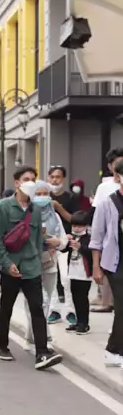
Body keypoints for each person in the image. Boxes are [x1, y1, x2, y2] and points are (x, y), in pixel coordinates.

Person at [0, 165, 62, 370]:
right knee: (7, 307)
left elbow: (38, 239)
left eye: (33, 179)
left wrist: (53, 245)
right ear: (17, 183)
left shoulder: (36, 210)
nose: (30, 182)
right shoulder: (4, 207)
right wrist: (6, 264)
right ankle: (1, 346)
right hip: (11, 266)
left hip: (32, 267)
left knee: (37, 309)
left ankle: (42, 353)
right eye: (26, 179)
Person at [24, 181, 67, 352]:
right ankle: (43, 337)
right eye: (38, 194)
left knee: (46, 301)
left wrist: (58, 242)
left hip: (50, 263)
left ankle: (31, 336)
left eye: (45, 194)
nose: (42, 197)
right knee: (34, 302)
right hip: (30, 264)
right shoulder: (26, 214)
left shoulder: (55, 216)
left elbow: (63, 240)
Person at [90, 157, 123, 367]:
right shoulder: (107, 204)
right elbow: (96, 238)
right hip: (116, 262)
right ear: (118, 177)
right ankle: (114, 351)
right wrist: (96, 266)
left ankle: (114, 350)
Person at [47, 165, 77, 326]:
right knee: (51, 278)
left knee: (66, 278)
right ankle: (54, 310)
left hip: (65, 243)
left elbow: (74, 219)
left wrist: (58, 207)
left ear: (63, 179)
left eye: (58, 177)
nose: (54, 180)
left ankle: (71, 311)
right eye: (52, 177)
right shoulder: (44, 196)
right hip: (48, 244)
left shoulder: (70, 198)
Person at [66, 211, 93, 336]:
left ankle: (84, 323)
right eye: (74, 225)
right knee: (75, 297)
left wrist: (80, 247)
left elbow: (91, 253)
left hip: (84, 274)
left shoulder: (89, 238)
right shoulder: (72, 237)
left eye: (80, 226)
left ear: (86, 226)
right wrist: (65, 240)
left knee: (82, 298)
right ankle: (78, 321)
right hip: (73, 272)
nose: (76, 228)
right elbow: (63, 249)